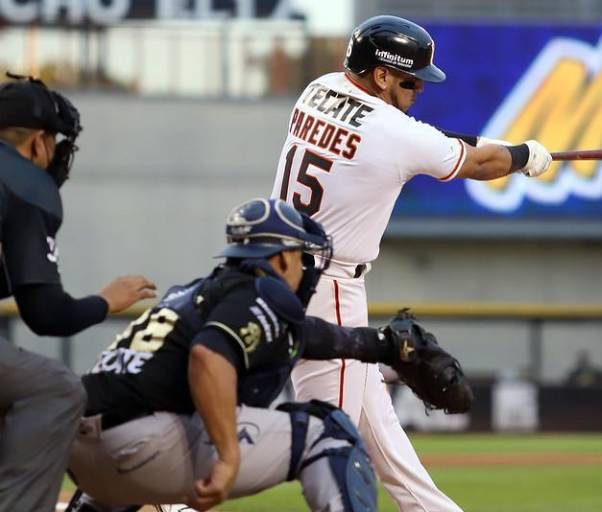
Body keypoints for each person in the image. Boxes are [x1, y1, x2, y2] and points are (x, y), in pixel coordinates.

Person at [270, 14, 553, 511]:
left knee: (384, 443)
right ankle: (168, 500)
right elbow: (477, 162)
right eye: (409, 79)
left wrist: (506, 149)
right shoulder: (392, 131)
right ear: (381, 75)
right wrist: (523, 155)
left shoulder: (319, 88)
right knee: (326, 448)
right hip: (325, 287)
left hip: (280, 270)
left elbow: (426, 136)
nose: (418, 88)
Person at [65, 197, 466, 512]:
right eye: (302, 255)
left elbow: (308, 335)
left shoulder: (196, 294)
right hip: (140, 445)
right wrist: (226, 457)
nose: (308, 267)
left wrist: (383, 347)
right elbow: (208, 355)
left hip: (84, 454)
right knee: (328, 432)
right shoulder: (262, 291)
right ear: (279, 258)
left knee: (145, 451)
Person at [0, 73, 156, 512]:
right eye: (55, 142)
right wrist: (106, 301)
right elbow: (46, 315)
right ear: (37, 143)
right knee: (58, 389)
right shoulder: (25, 181)